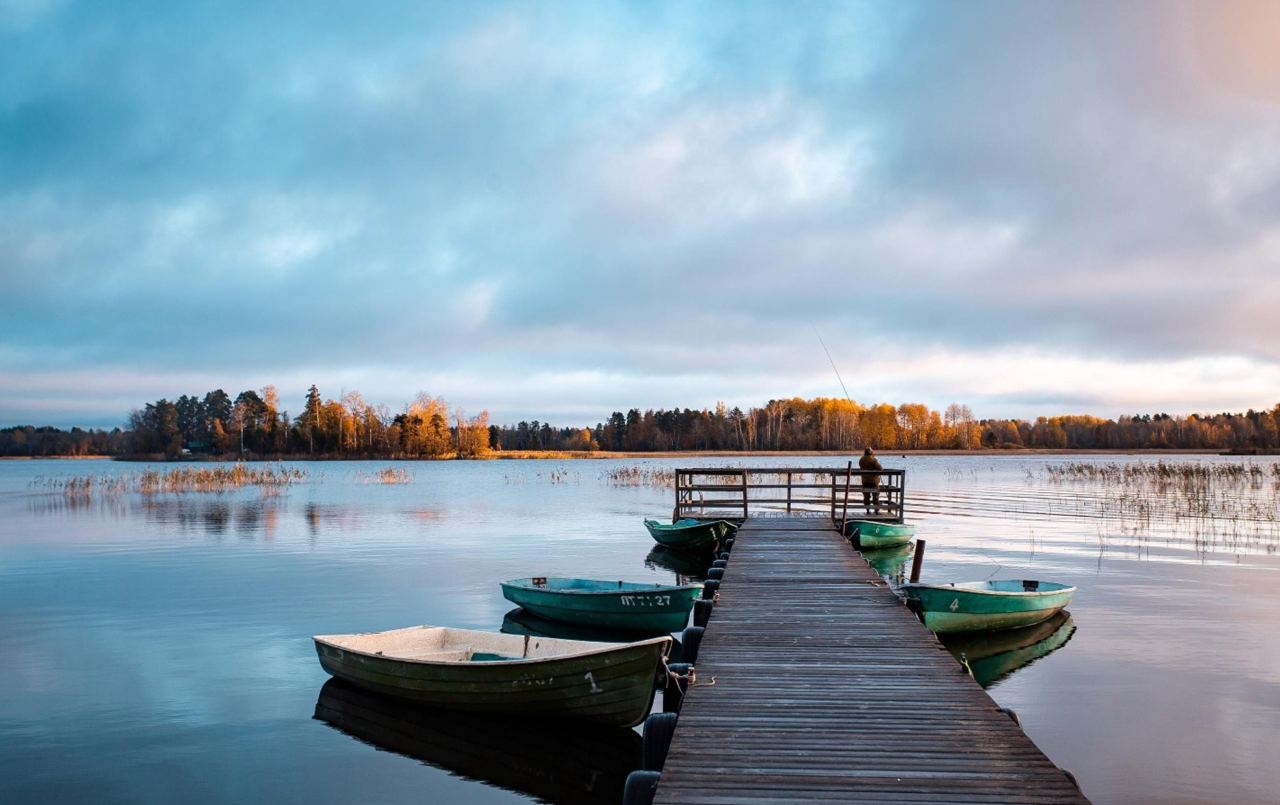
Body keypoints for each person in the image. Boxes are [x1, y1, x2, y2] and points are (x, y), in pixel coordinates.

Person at [859, 446, 882, 514]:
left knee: (866, 496)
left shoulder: (861, 459)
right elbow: (880, 468)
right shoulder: (873, 460)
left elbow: (861, 466)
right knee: (875, 496)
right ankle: (876, 511)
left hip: (865, 481)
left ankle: (867, 510)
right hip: (873, 481)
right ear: (871, 452)